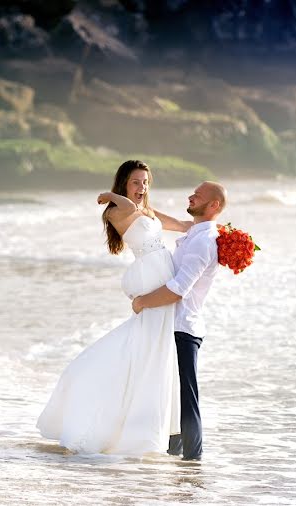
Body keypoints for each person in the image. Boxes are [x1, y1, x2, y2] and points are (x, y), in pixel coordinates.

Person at [36, 160, 192, 455]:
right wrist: (111, 195)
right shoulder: (117, 210)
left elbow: (181, 225)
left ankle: (143, 425)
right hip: (150, 276)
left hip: (162, 274)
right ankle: (121, 422)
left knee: (153, 349)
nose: (142, 188)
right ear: (123, 183)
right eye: (135, 182)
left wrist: (205, 229)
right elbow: (130, 209)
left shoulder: (145, 210)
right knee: (147, 346)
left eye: (145, 182)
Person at [132, 181, 227, 461]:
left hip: (183, 328)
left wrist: (142, 302)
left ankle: (193, 462)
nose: (190, 195)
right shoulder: (196, 233)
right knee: (174, 398)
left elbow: (178, 289)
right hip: (173, 325)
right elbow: (163, 220)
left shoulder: (203, 241)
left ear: (214, 206)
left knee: (187, 399)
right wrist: (136, 206)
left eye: (198, 195)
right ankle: (176, 459)